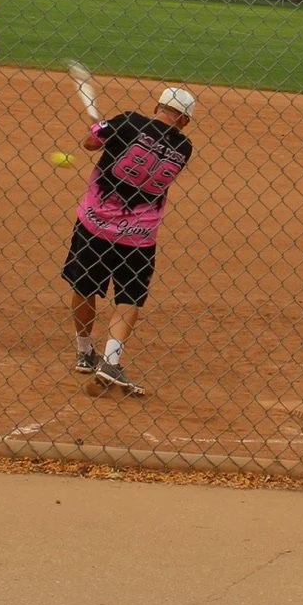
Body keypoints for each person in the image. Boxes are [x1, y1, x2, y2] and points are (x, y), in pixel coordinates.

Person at [63, 86, 196, 396]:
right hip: (139, 236)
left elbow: (90, 143)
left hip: (95, 225)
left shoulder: (128, 121)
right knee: (129, 298)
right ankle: (111, 361)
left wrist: (97, 130)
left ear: (157, 107)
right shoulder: (184, 147)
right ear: (185, 121)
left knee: (84, 286)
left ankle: (84, 352)